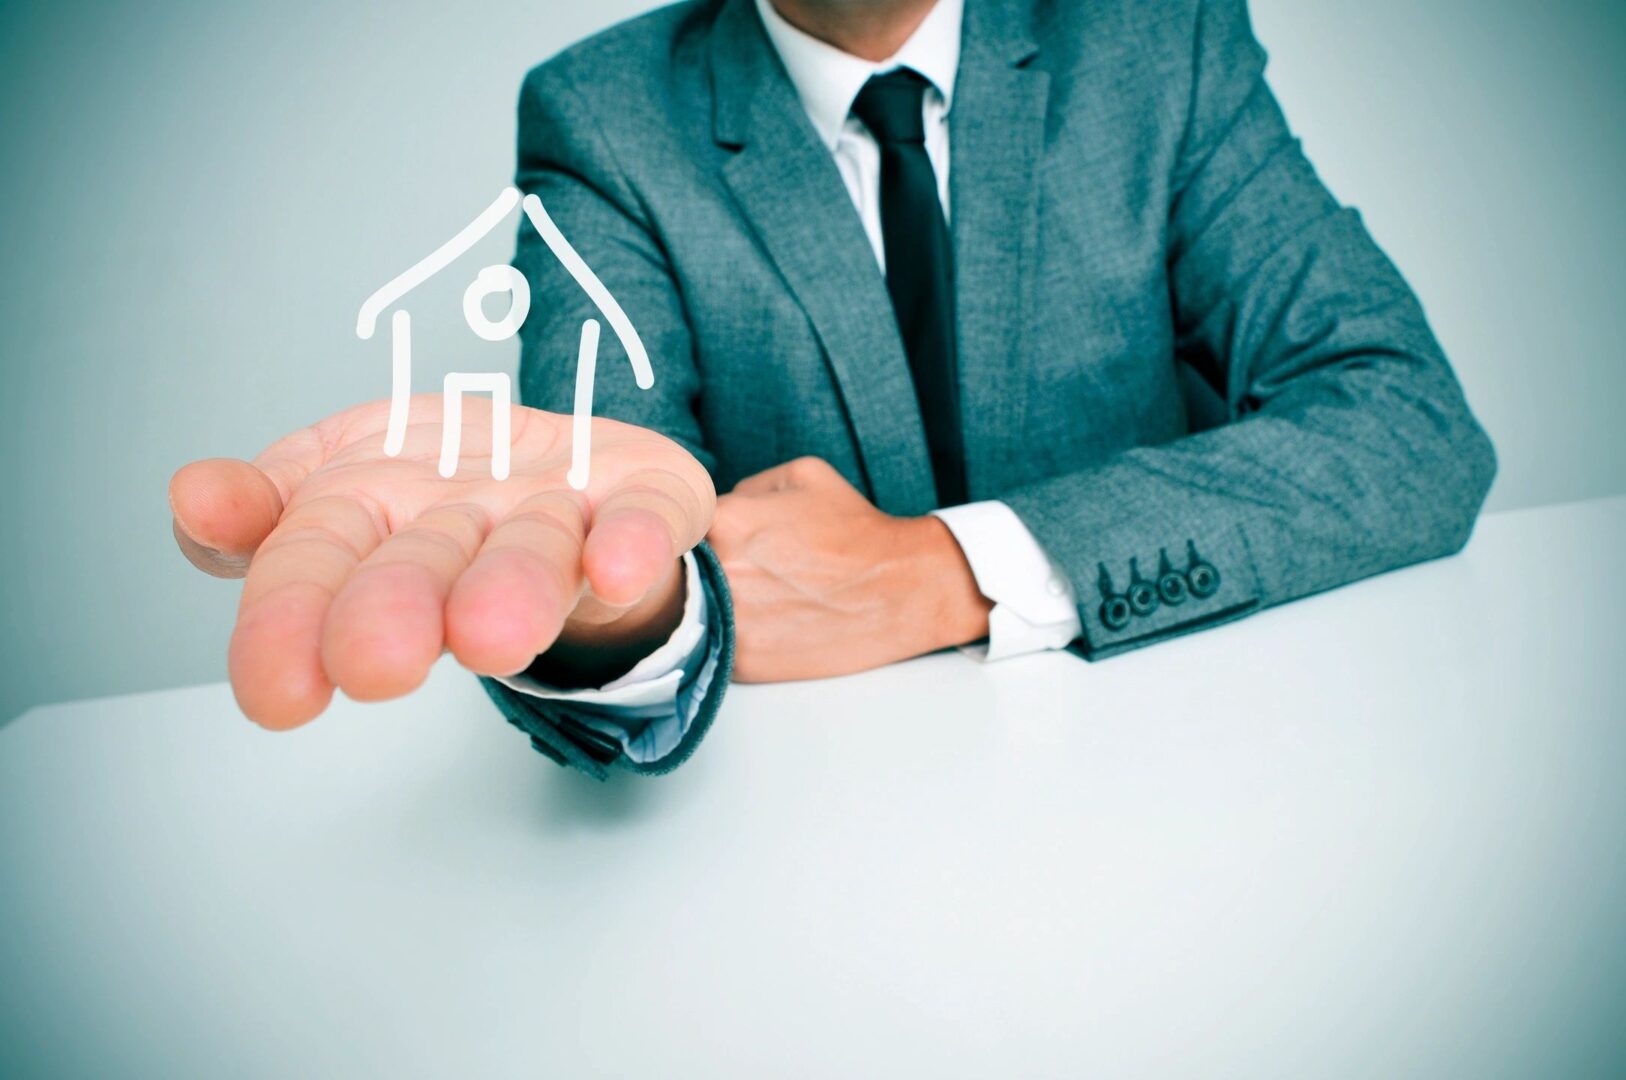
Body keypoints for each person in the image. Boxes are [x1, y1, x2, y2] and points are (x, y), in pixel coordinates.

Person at [169, 0, 1496, 778]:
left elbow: (1406, 423)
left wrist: (944, 570)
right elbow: (602, 516)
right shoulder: (602, 120)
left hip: (1185, 762)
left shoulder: (1158, 38)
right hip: (818, 847)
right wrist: (618, 616)